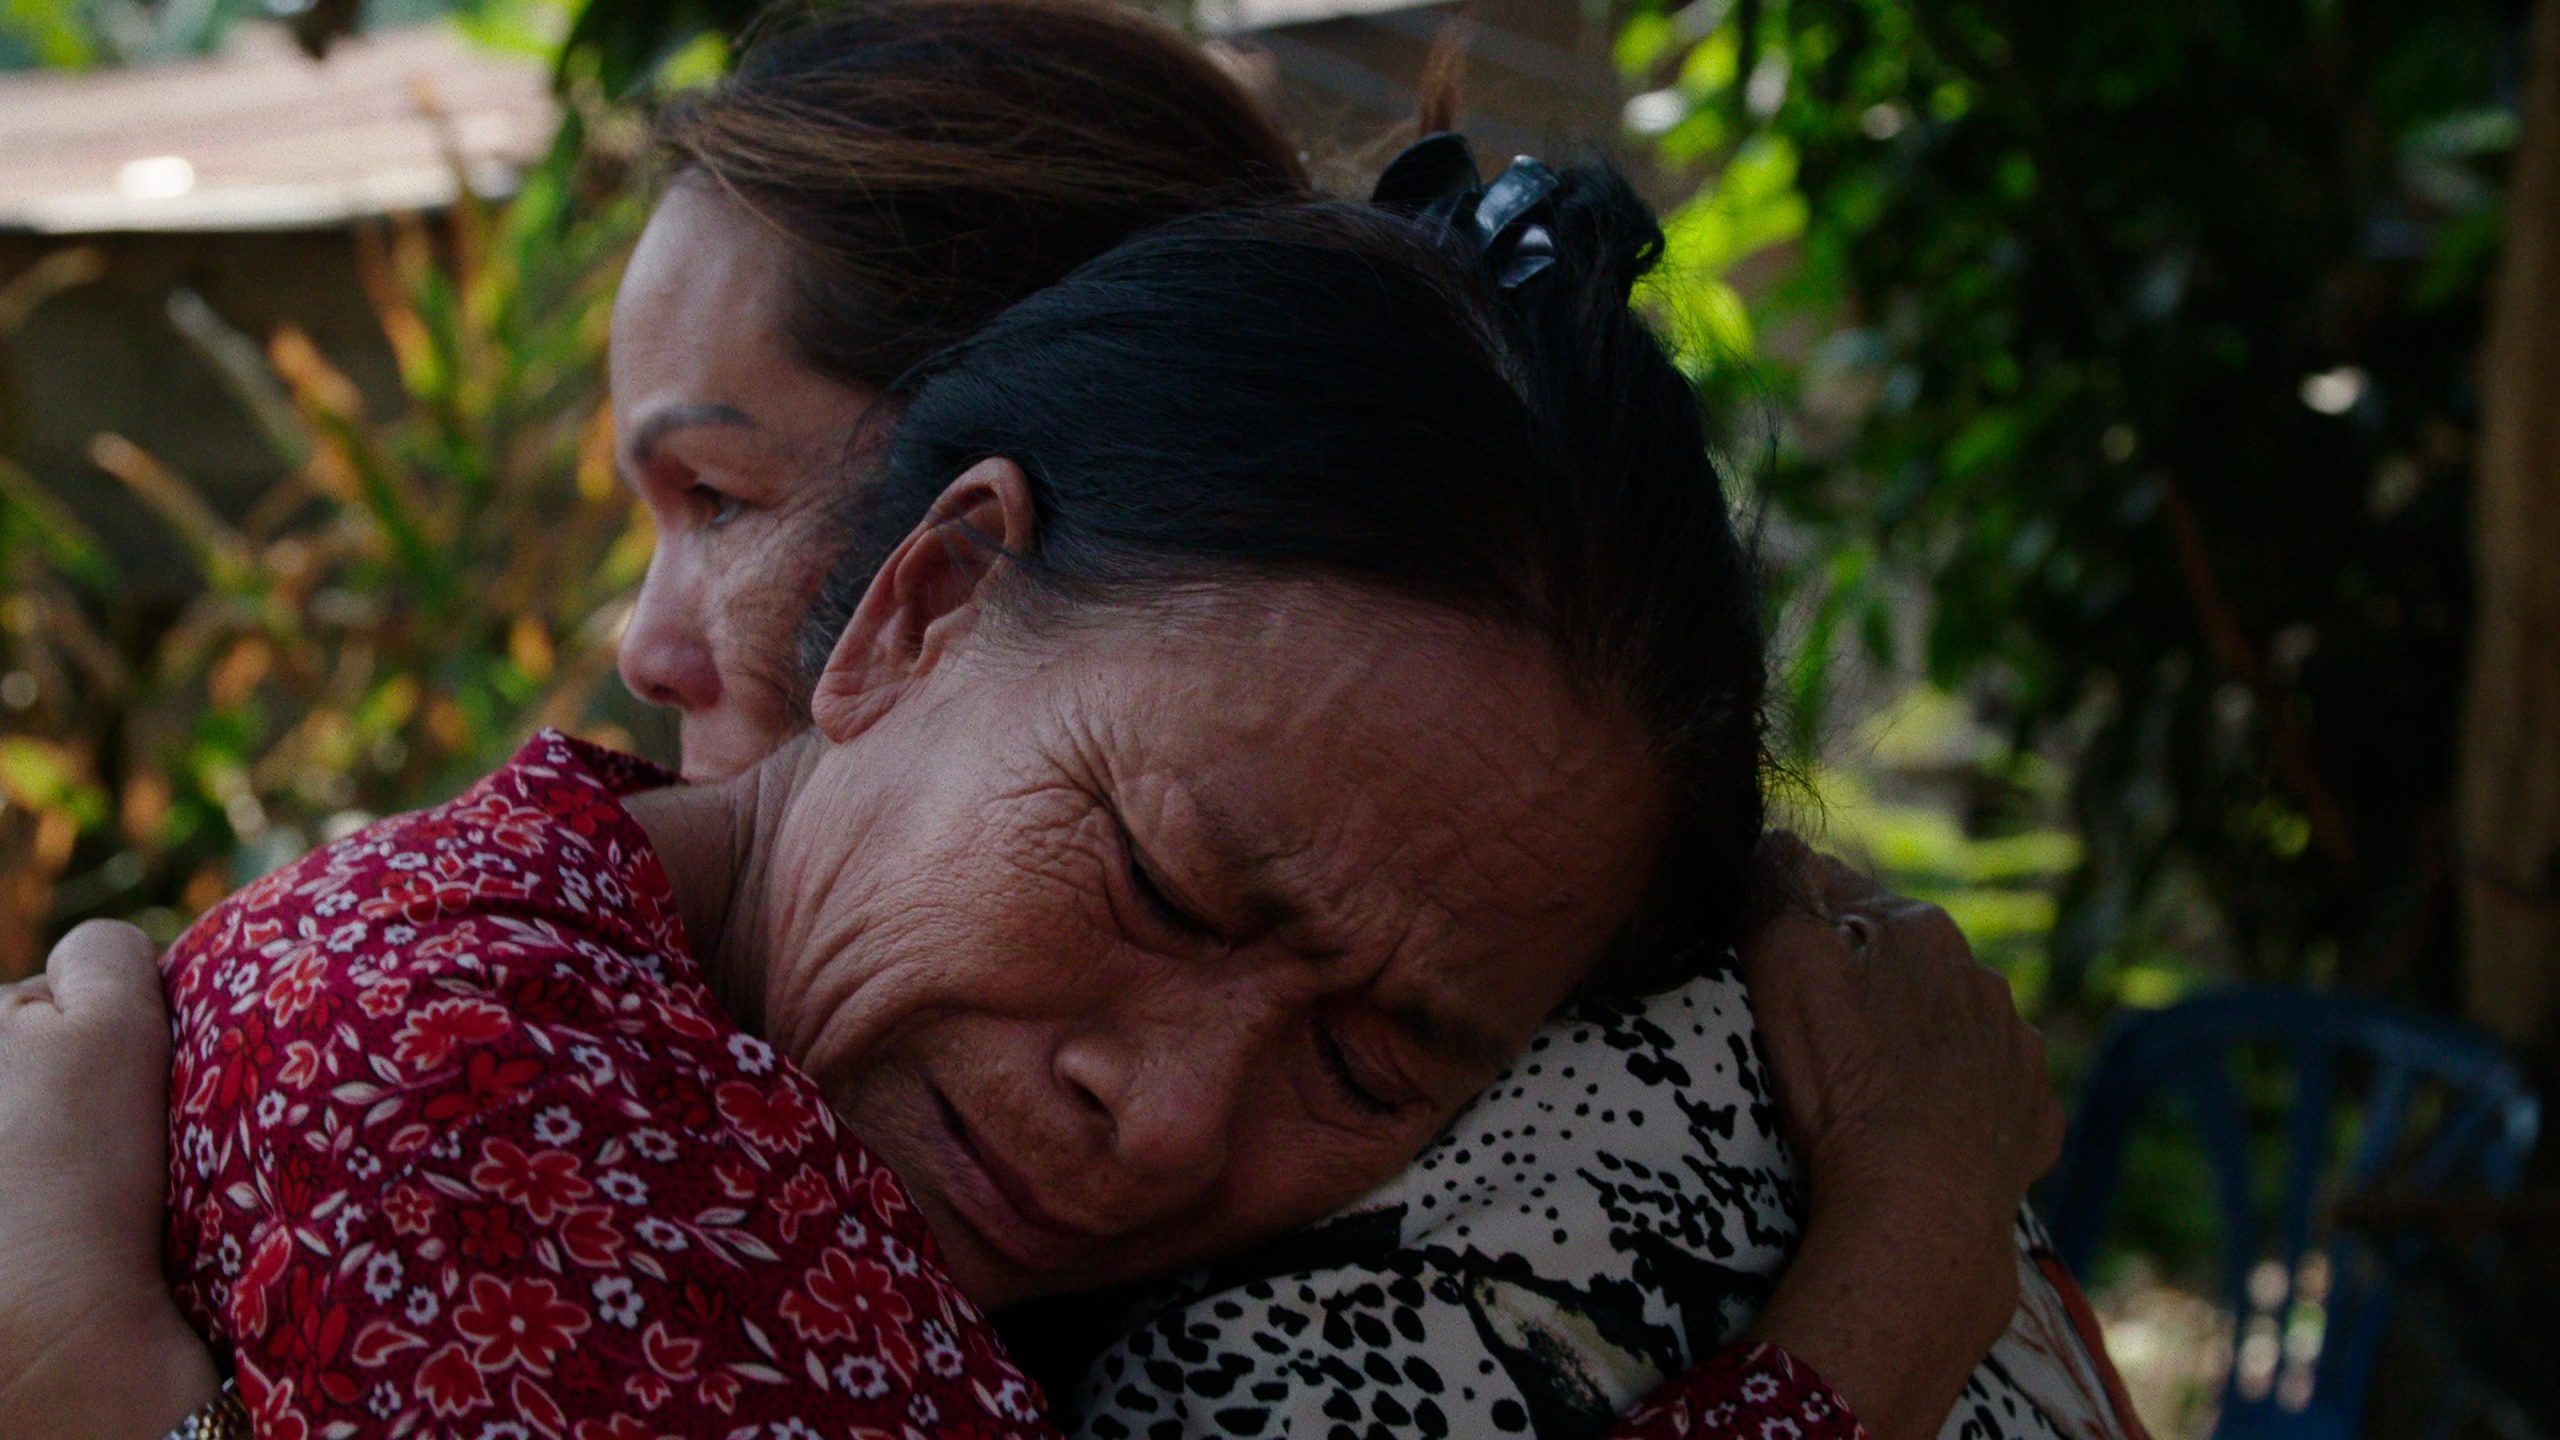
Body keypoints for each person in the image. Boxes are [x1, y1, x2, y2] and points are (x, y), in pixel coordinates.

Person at [0, 169, 2061, 1438]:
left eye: (1365, 1060)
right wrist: (1897, 1275)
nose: (1162, 1119)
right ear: (918, 605)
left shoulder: (630, 998)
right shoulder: (492, 1091)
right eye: (1163, 887)